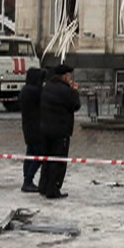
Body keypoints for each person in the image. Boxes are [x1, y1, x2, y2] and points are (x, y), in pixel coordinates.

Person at [36, 64, 81, 200]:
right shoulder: (65, 91)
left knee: (47, 159)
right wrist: (74, 92)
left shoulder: (48, 86)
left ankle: (43, 186)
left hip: (45, 129)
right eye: (69, 76)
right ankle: (53, 189)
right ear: (65, 76)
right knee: (58, 160)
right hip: (60, 130)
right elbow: (76, 105)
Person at [18, 66, 48, 193]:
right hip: (36, 128)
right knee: (40, 155)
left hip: (28, 127)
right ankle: (28, 180)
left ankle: (27, 179)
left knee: (30, 154)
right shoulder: (34, 91)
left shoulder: (25, 90)